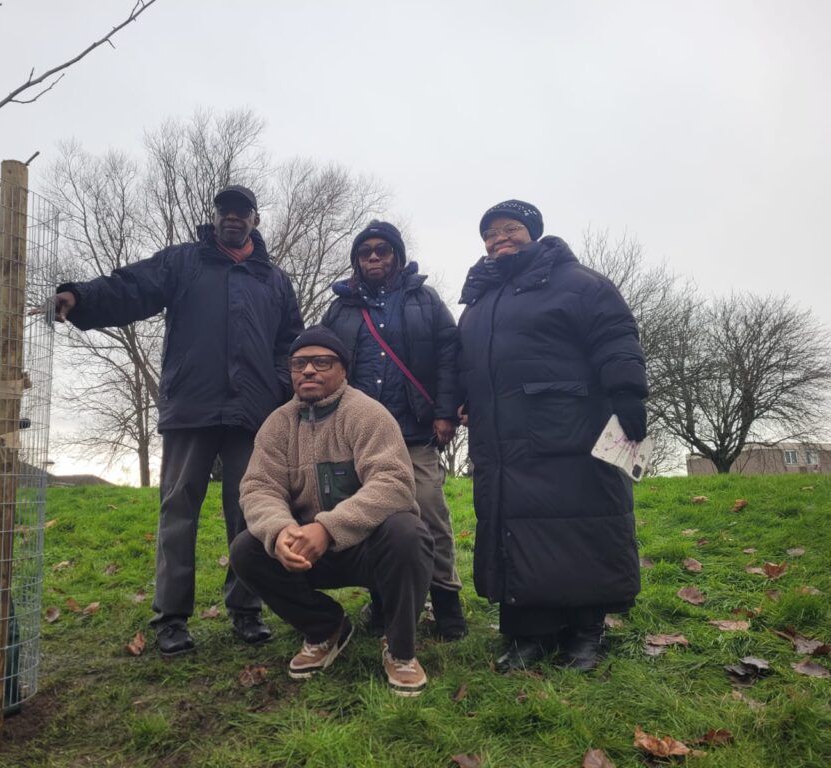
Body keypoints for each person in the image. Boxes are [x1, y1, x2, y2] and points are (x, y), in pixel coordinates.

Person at [48, 185, 304, 656]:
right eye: (225, 211)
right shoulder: (184, 262)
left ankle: (246, 610)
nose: (233, 218)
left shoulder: (275, 280)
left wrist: (277, 388)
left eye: (242, 212)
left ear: (255, 220)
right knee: (177, 512)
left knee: (251, 512)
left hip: (253, 414)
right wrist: (80, 298)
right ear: (216, 217)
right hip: (191, 408)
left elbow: (290, 343)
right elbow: (131, 288)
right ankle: (171, 618)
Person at [457, 199, 648, 672]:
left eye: (510, 229)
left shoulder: (580, 284)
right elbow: (467, 361)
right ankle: (529, 634)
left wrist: (628, 394)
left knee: (583, 524)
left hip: (572, 429)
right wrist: (460, 399)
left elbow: (615, 336)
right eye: (490, 232)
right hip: (502, 440)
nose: (499, 238)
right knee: (515, 530)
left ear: (535, 233)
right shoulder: (481, 298)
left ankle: (586, 631)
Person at [230, 326, 434, 696]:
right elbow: (259, 487)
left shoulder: (369, 415)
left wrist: (328, 529)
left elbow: (394, 483)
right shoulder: (276, 425)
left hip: (369, 547)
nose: (308, 370)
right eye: (299, 363)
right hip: (306, 553)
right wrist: (280, 532)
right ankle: (325, 627)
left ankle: (400, 649)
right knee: (246, 548)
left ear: (343, 369)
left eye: (321, 362)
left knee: (410, 533)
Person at [321, 221, 467, 640]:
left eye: (382, 250)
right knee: (371, 518)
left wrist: (445, 414)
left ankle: (446, 602)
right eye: (364, 252)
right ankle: (384, 601)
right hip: (358, 437)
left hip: (415, 430)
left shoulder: (425, 299)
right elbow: (328, 363)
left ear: (397, 255)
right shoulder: (340, 309)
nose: (373, 258)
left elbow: (448, 357)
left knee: (430, 513)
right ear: (356, 260)